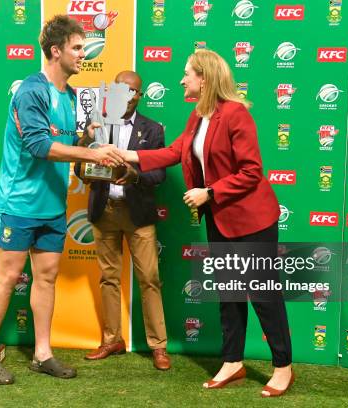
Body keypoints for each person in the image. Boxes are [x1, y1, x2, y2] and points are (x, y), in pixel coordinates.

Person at [121, 49, 294, 397]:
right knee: (229, 295)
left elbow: (251, 172)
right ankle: (232, 362)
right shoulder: (198, 116)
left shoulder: (236, 115)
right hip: (221, 219)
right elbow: (174, 152)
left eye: (187, 73)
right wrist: (131, 155)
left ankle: (283, 367)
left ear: (205, 78)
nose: (182, 79)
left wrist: (209, 192)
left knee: (263, 295)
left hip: (253, 219)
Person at [0, 15, 124, 385]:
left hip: (53, 206)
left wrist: (90, 137)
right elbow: (39, 145)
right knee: (7, 276)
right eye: (76, 47)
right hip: (19, 203)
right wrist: (94, 154)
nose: (82, 54)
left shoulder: (72, 97)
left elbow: (69, 145)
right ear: (56, 51)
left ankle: (42, 353)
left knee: (47, 277)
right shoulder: (31, 91)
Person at [75, 71, 170, 370]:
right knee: (108, 278)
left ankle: (158, 346)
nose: (125, 96)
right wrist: (87, 150)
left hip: (138, 214)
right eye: (120, 89)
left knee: (150, 280)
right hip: (105, 211)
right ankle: (112, 339)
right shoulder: (97, 126)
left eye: (132, 91)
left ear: (140, 96)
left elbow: (159, 173)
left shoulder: (152, 129)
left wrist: (134, 175)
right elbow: (79, 167)